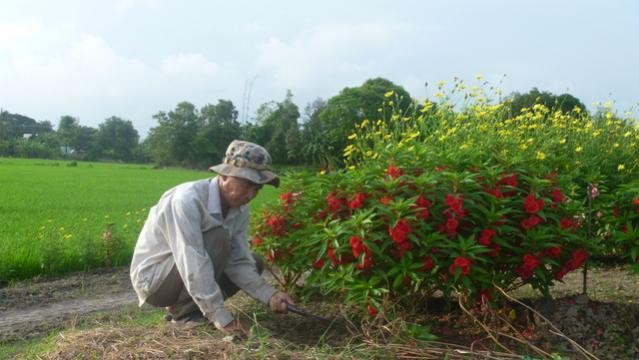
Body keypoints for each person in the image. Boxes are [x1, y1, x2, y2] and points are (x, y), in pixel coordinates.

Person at [130, 140, 293, 336]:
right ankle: (185, 315)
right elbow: (192, 260)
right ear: (224, 174)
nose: (251, 194)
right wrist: (223, 319)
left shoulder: (240, 210)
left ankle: (188, 308)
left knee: (254, 262)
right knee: (218, 237)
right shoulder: (187, 199)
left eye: (258, 188)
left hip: (183, 271)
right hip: (155, 280)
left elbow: (238, 260)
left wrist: (270, 295)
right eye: (247, 184)